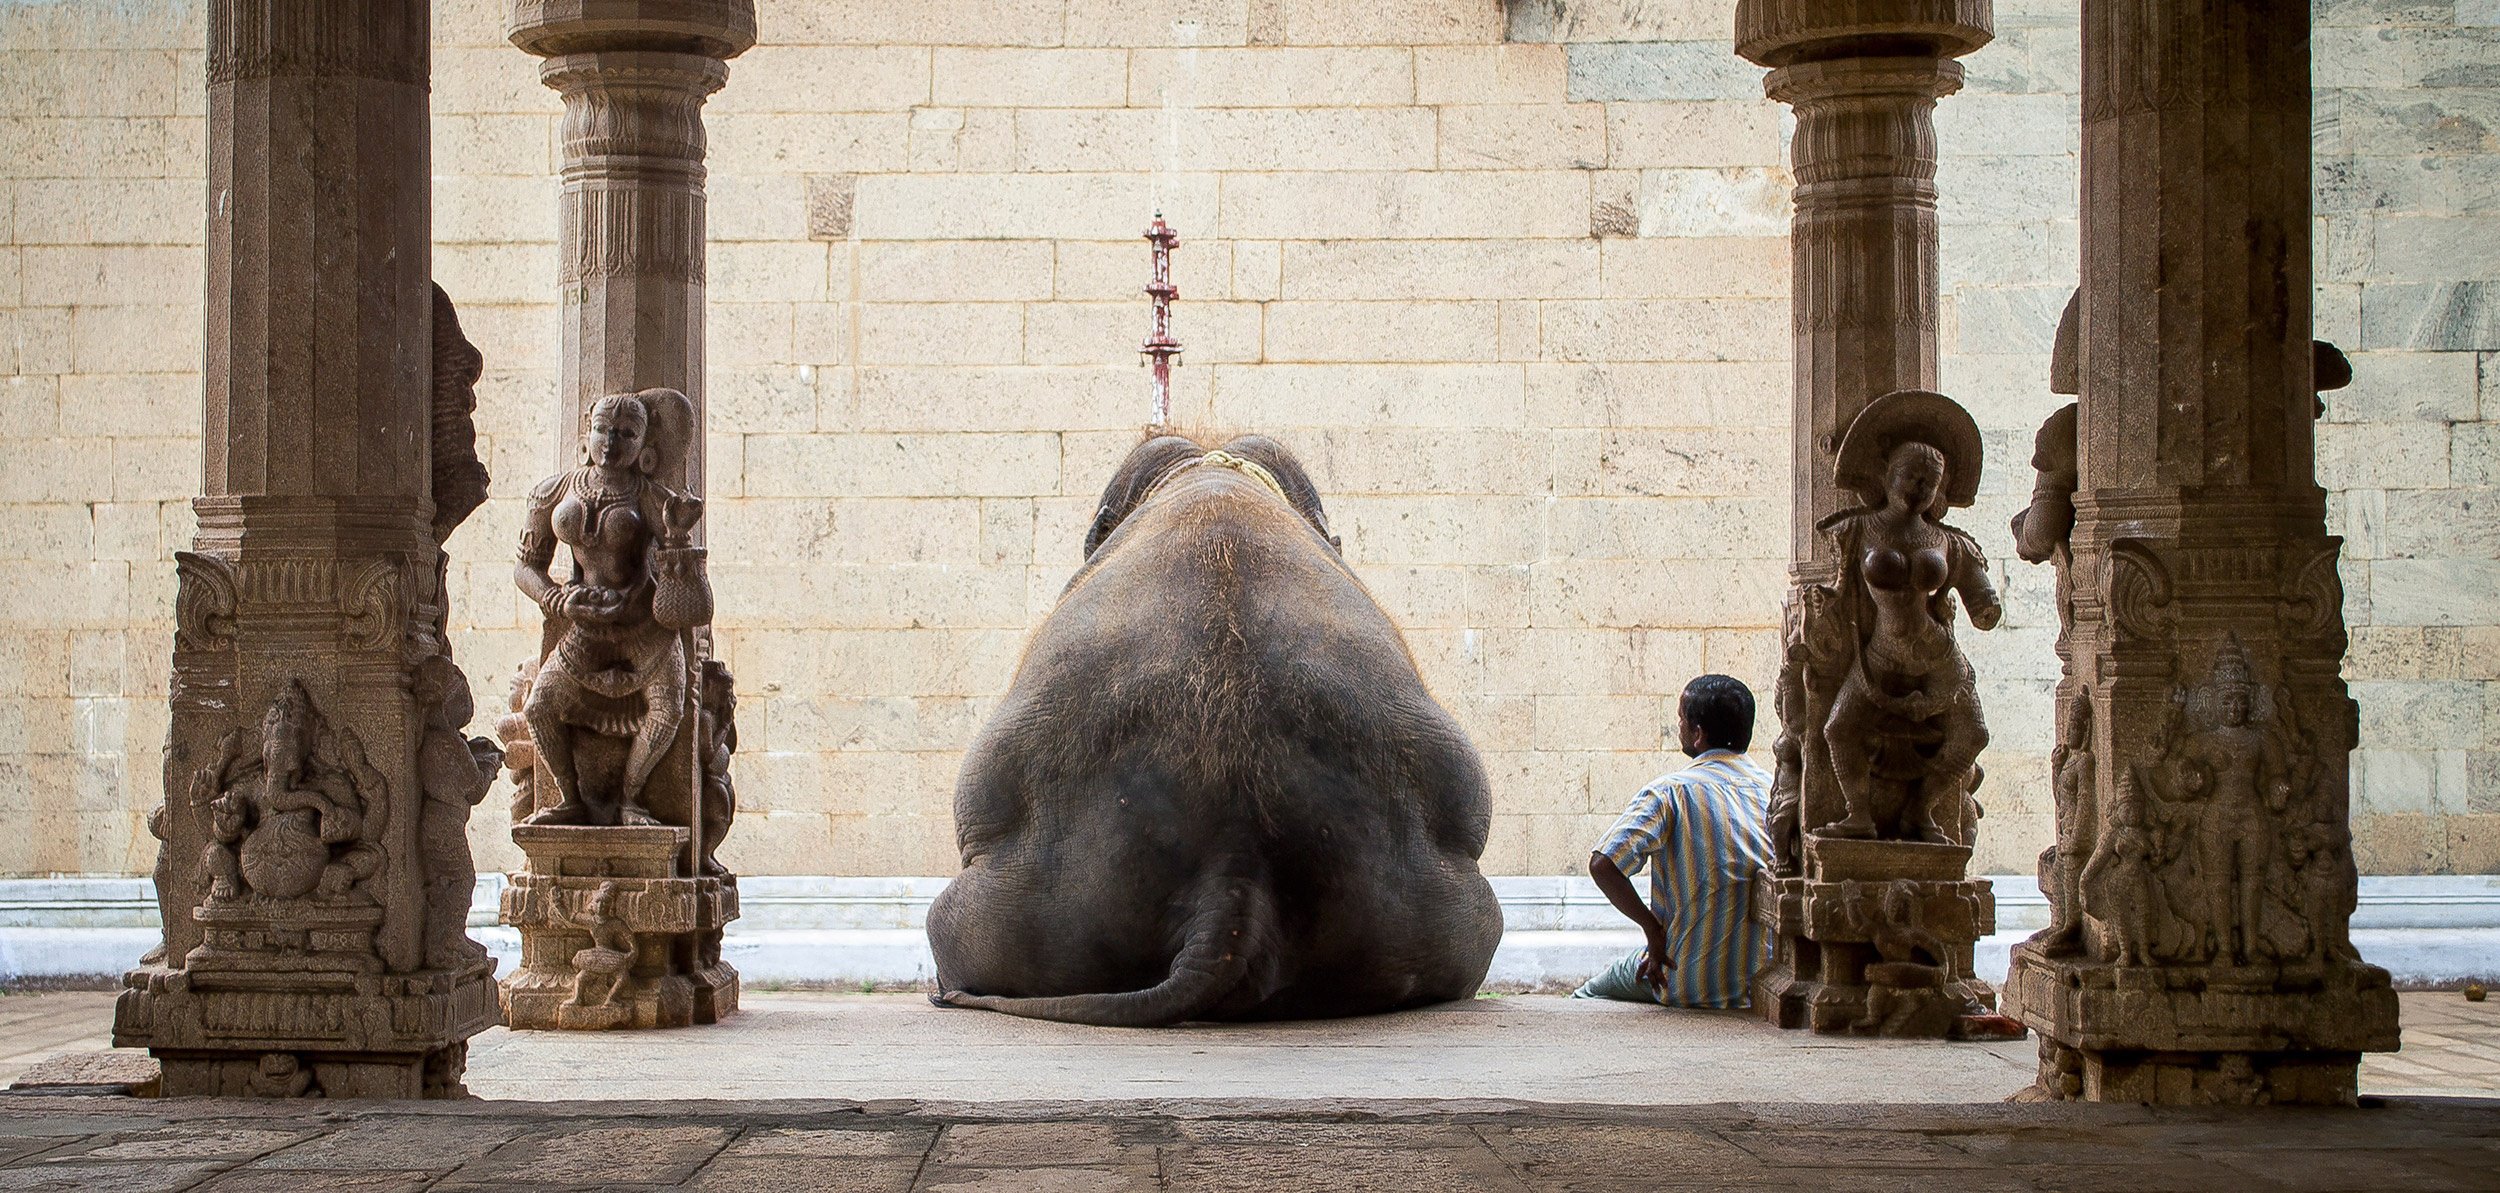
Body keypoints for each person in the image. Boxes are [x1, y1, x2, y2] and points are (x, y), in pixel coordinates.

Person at [1573, 675, 1774, 1008]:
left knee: (1589, 993)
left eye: (1681, 719)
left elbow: (1604, 864)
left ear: (1697, 734)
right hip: (1762, 984)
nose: (1677, 726)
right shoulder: (1775, 792)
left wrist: (1653, 932)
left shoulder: (1672, 792)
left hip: (1685, 978)